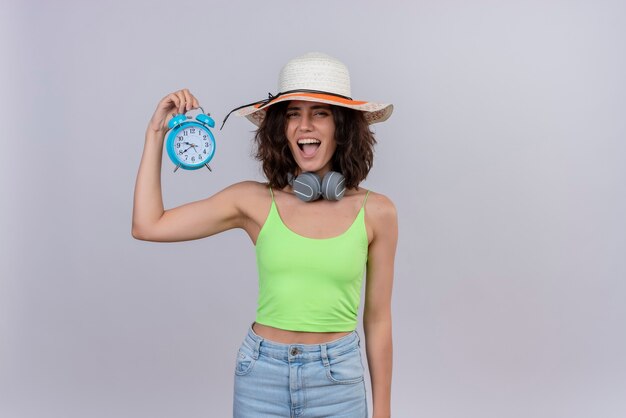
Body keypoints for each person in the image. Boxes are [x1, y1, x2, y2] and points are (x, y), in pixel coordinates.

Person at [132, 52, 397, 418]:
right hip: (261, 375)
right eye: (292, 114)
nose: (304, 126)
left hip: (338, 380)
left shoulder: (377, 211)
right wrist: (156, 133)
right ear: (280, 128)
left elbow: (378, 319)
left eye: (319, 112)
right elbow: (148, 225)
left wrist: (382, 411)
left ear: (342, 126)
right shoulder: (252, 201)